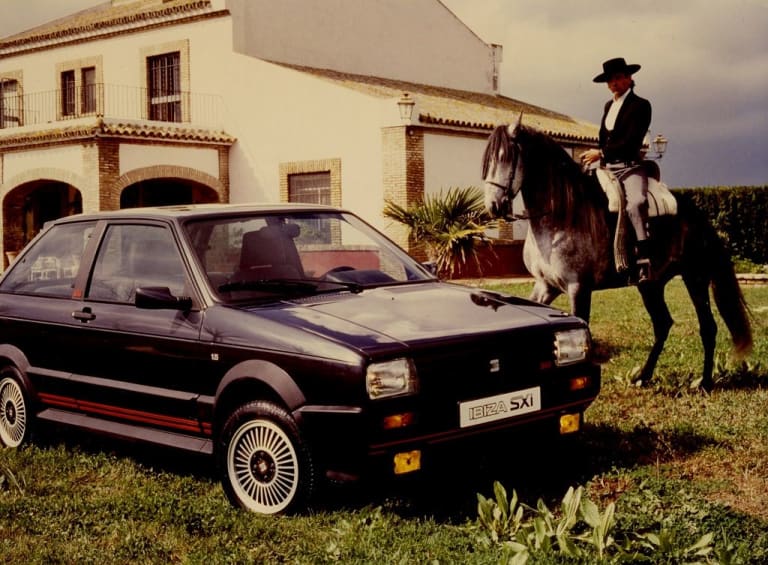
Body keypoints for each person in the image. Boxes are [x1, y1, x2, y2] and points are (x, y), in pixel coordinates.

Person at [581, 57, 653, 283]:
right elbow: (605, 138)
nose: (614, 83)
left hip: (629, 168)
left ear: (629, 78)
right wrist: (599, 154)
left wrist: (601, 153)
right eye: (610, 80)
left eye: (619, 78)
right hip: (607, 168)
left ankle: (644, 259)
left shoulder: (641, 105)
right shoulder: (608, 106)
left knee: (635, 204)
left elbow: (632, 140)